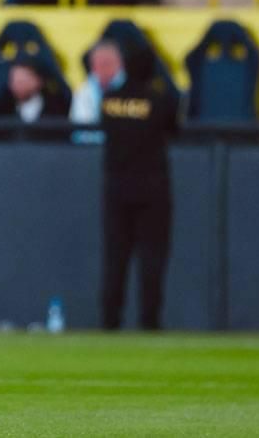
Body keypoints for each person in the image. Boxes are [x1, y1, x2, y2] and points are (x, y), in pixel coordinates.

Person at [99, 43, 178, 331]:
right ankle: (150, 321)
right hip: (152, 189)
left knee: (115, 258)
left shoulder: (109, 100)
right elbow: (174, 127)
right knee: (152, 258)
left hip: (116, 189)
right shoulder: (159, 100)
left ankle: (110, 320)